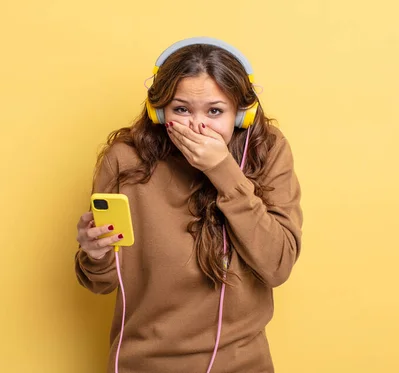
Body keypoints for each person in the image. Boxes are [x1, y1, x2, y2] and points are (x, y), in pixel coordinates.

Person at [74, 37, 303, 373]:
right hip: (145, 363)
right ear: (159, 110)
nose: (198, 126)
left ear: (241, 114)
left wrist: (222, 170)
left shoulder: (266, 151)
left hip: (243, 364)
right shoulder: (125, 159)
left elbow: (277, 264)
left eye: (215, 111)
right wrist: (96, 254)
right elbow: (102, 283)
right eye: (181, 109)